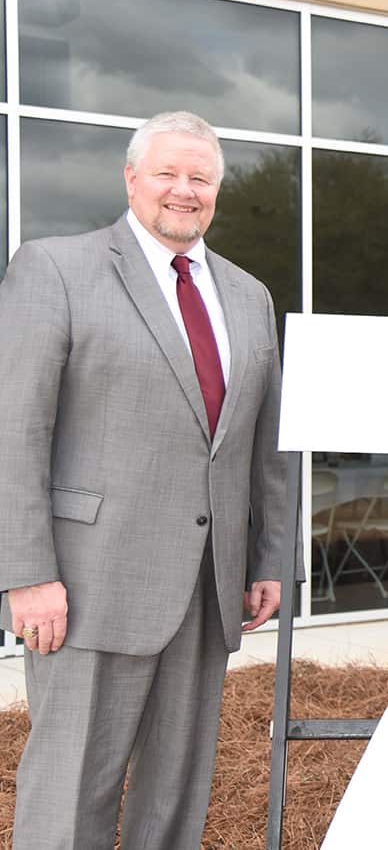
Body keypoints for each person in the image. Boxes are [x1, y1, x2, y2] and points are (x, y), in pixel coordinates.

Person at [0, 111, 288, 848]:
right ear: (131, 179)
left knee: (175, 794)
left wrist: (269, 560)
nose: (184, 191)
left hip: (207, 588)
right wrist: (27, 573)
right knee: (71, 794)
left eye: (201, 178)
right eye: (167, 173)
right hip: (89, 586)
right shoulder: (54, 268)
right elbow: (15, 430)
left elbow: (265, 444)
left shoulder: (249, 295)